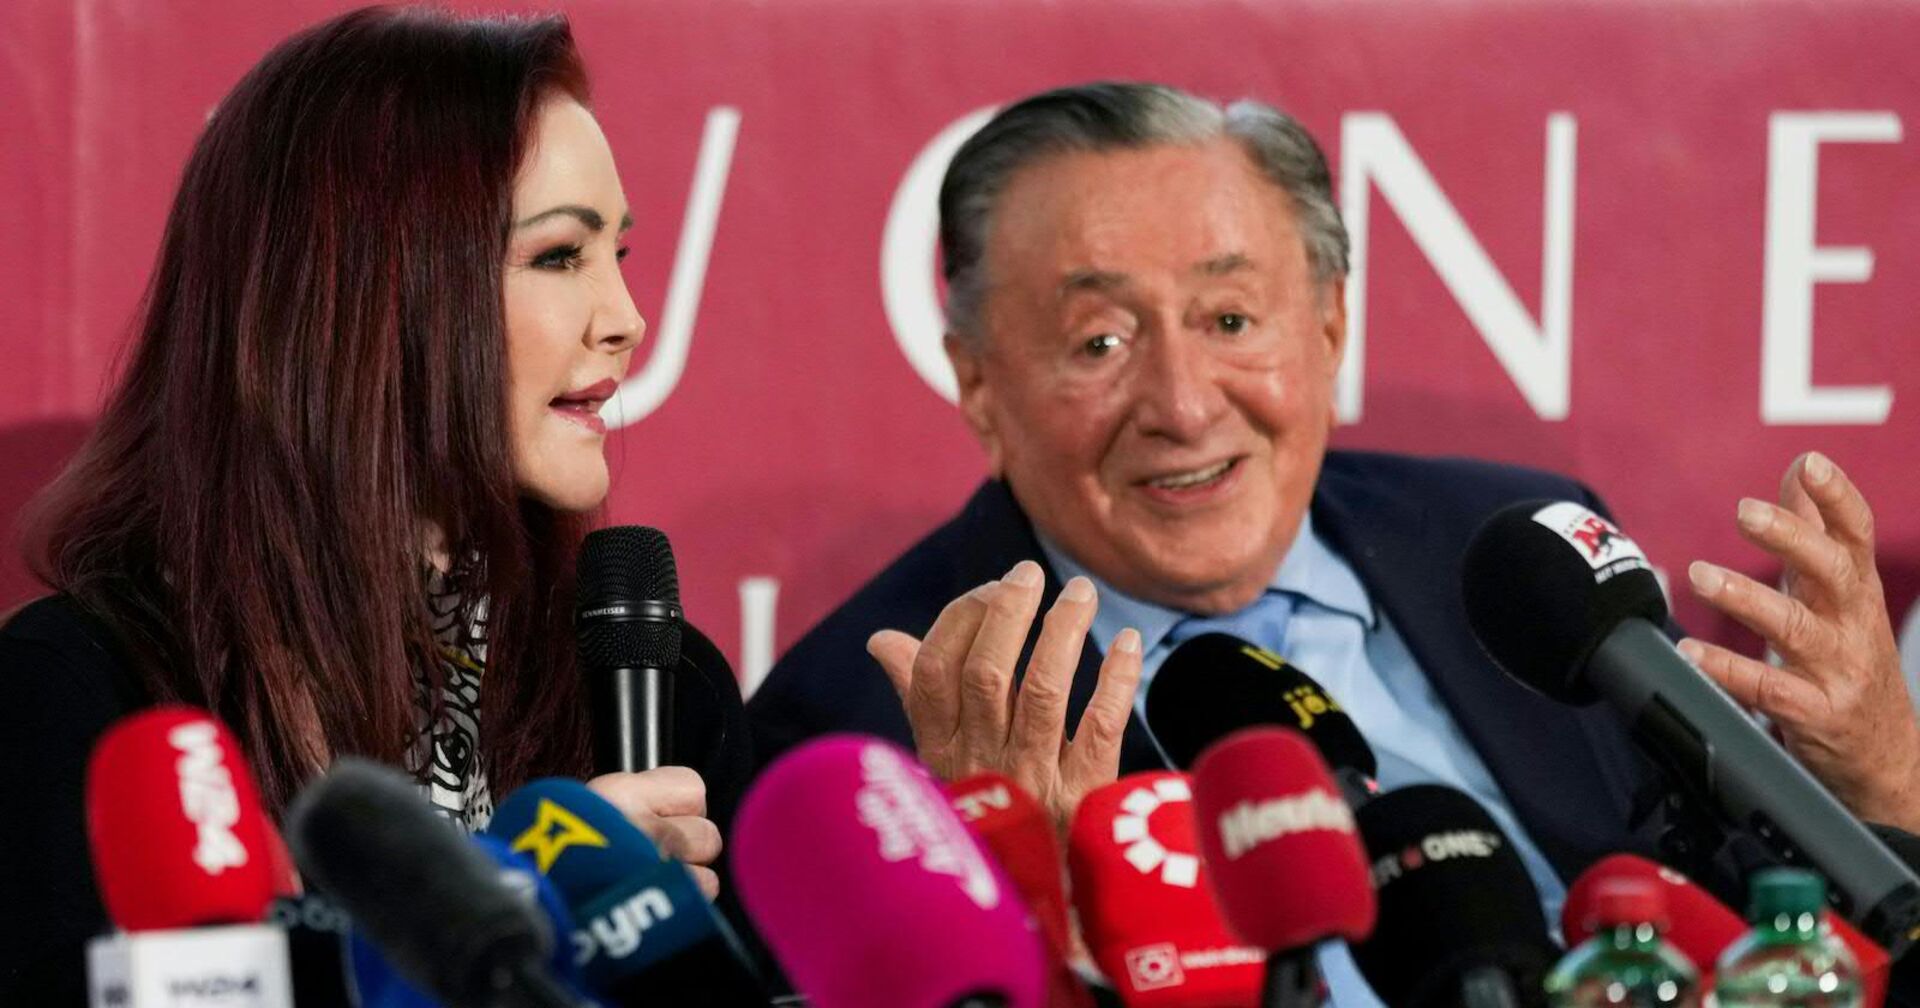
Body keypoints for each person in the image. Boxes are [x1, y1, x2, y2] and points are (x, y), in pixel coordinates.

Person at [747, 81, 1920, 1003]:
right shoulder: (855, 733)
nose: (1184, 404)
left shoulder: (1517, 554)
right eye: (1099, 343)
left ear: (1329, 324)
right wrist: (1038, 915)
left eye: (1231, 318)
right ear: (978, 385)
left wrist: (1879, 784)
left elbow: (1756, 928)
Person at [0, 9, 721, 1002]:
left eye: (619, 255)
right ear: (367, 290)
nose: (628, 321)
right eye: (560, 255)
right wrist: (504, 912)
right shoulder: (78, 699)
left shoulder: (655, 688)